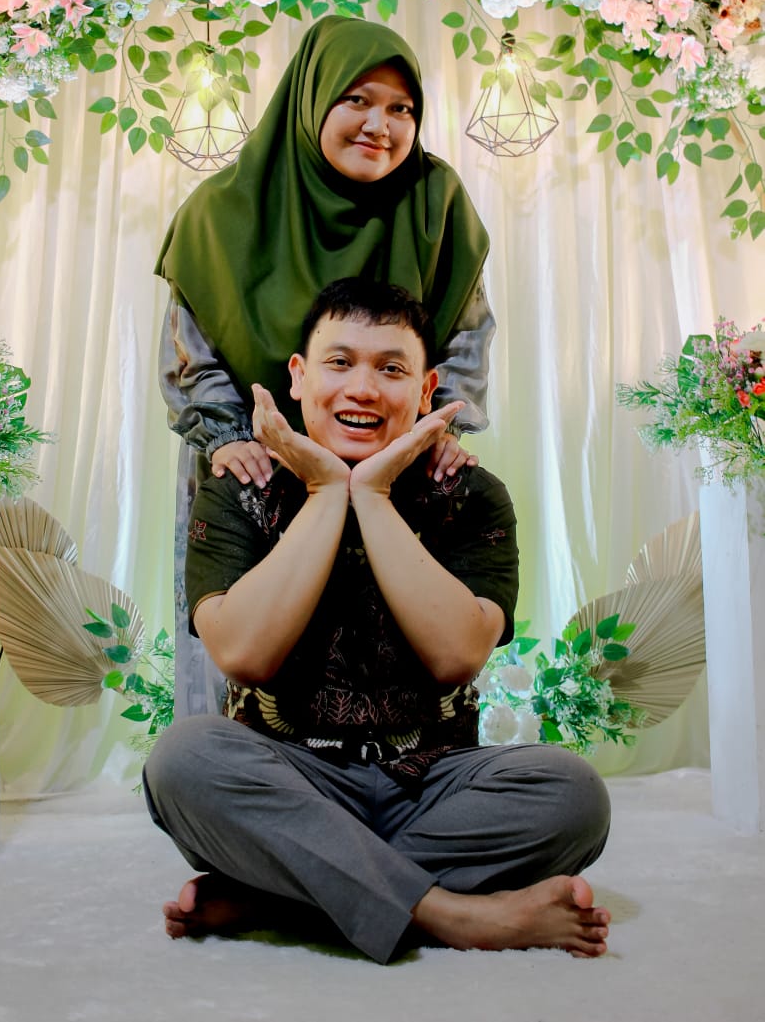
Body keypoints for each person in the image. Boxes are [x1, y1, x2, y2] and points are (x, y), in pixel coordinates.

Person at [143, 279, 612, 963]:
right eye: (339, 362)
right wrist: (324, 488)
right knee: (184, 759)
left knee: (574, 795)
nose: (362, 388)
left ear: (425, 391)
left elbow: (456, 657)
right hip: (293, 781)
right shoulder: (240, 485)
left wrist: (374, 494)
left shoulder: (470, 494)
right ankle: (453, 914)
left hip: (431, 782)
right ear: (298, 377)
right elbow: (243, 654)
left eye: (391, 369)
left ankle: (284, 893)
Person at [156, 16, 496, 716]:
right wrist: (231, 440)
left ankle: (409, 778)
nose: (381, 125)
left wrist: (435, 432)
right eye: (357, 100)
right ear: (310, 99)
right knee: (252, 672)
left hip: (396, 469)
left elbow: (467, 332)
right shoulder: (222, 210)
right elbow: (192, 350)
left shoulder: (434, 200)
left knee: (401, 665)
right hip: (255, 467)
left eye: (401, 108)